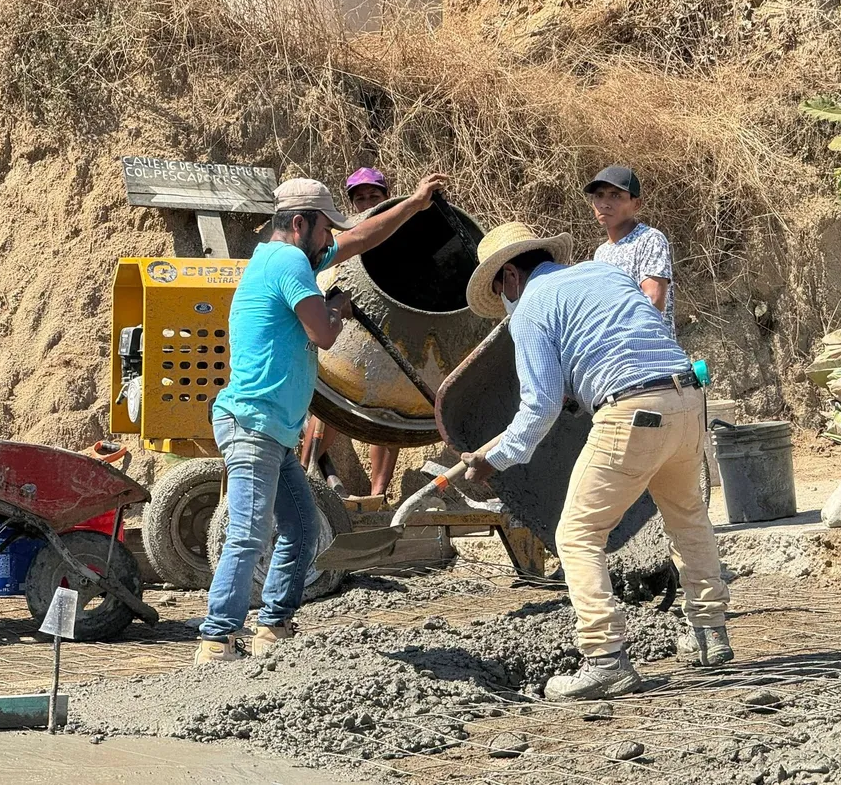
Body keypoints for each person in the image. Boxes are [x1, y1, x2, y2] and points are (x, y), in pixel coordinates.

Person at [459, 222, 731, 701]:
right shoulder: (605, 275)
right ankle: (710, 635)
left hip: (631, 411)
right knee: (688, 519)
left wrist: (492, 461)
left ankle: (605, 660)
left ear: (510, 278)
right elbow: (620, 342)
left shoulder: (531, 308)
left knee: (577, 535)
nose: (504, 298)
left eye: (500, 288)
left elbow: (538, 409)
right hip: (687, 398)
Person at [196, 172, 447, 664]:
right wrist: (337, 306)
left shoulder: (288, 255)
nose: (331, 238)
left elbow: (357, 239)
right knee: (248, 533)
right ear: (298, 222)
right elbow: (324, 335)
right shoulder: (288, 261)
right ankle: (216, 637)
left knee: (302, 527)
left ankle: (273, 627)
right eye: (324, 228)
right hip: (253, 424)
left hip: (272, 429)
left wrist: (414, 205)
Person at [311, 167, 401, 499]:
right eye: (359, 197)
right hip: (347, 330)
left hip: (391, 331)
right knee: (335, 404)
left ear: (386, 196)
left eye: (373, 196)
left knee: (389, 418)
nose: (366, 203)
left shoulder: (399, 230)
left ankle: (378, 495)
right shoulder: (342, 235)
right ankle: (310, 474)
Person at [586, 165, 674, 335]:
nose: (604, 203)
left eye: (615, 195)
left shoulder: (649, 239)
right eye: (599, 195)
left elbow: (654, 301)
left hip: (650, 352)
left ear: (637, 204)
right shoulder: (601, 253)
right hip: (615, 353)